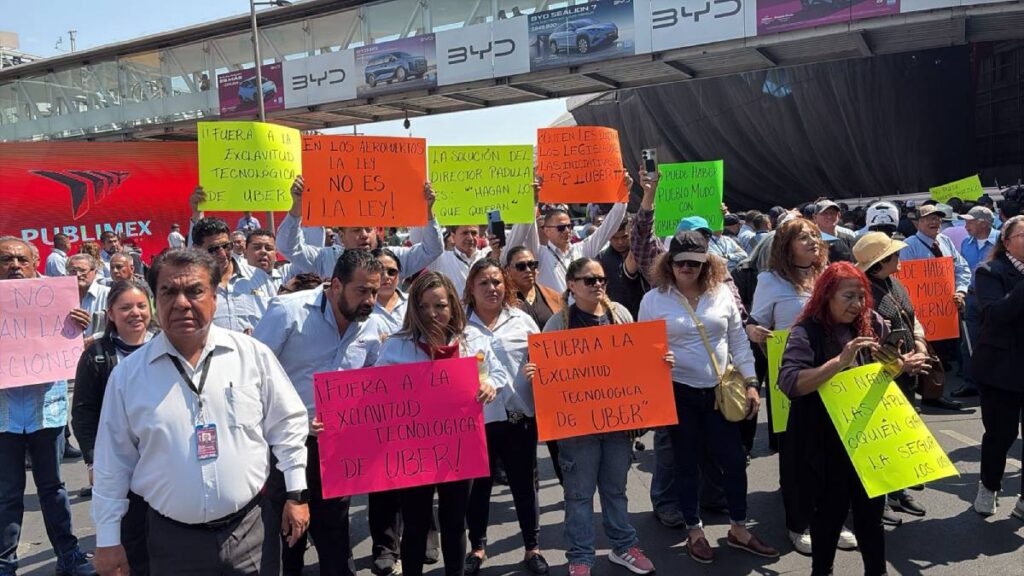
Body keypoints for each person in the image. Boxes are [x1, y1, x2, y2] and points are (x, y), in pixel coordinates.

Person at [91, 249, 311, 576]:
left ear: (215, 296)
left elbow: (288, 425)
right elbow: (112, 462)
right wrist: (107, 539)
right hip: (171, 539)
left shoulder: (252, 355)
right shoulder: (128, 376)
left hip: (250, 532)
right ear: (155, 300)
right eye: (168, 292)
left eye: (194, 291)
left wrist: (296, 492)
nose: (181, 302)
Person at [778, 262, 927, 576]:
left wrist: (899, 365)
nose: (857, 304)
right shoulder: (806, 331)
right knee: (828, 515)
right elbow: (790, 383)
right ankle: (822, 571)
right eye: (848, 296)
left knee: (870, 514)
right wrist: (838, 361)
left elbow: (891, 368)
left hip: (868, 436)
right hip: (824, 439)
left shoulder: (873, 323)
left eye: (862, 296)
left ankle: (877, 571)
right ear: (827, 295)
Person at [637, 232, 777, 565]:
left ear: (707, 264)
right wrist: (656, 362)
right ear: (668, 264)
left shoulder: (722, 295)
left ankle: (739, 529)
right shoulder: (654, 300)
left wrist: (752, 382)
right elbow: (640, 351)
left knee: (733, 461)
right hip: (678, 392)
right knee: (684, 465)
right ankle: (695, 531)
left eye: (695, 263)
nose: (687, 268)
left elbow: (739, 342)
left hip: (719, 392)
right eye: (681, 262)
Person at [253, 250, 385, 576]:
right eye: (362, 291)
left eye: (374, 291)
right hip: (286, 446)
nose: (370, 300)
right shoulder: (288, 312)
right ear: (336, 285)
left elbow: (373, 382)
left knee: (335, 535)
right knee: (289, 538)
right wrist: (290, 418)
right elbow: (252, 378)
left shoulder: (372, 326)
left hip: (337, 450)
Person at [539, 257, 667, 576]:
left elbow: (637, 361)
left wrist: (660, 360)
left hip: (618, 423)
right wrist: (535, 371)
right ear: (571, 285)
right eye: (589, 280)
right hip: (577, 427)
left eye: (601, 280)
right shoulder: (558, 323)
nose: (597, 285)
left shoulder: (619, 314)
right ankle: (581, 556)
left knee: (615, 489)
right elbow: (546, 372)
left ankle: (623, 547)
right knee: (579, 494)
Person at [373, 271, 506, 576]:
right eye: (423, 306)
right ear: (413, 309)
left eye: (440, 306)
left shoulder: (471, 340)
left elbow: (496, 373)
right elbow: (376, 392)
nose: (432, 314)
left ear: (453, 307)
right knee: (417, 523)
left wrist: (490, 386)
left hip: (460, 446)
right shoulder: (397, 346)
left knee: (455, 521)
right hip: (414, 449)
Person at [745, 218, 849, 554]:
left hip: (834, 373)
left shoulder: (829, 276)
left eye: (815, 237)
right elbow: (755, 323)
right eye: (803, 237)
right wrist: (755, 333)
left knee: (833, 454)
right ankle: (798, 524)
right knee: (797, 456)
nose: (812, 242)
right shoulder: (770, 280)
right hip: (793, 375)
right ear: (785, 245)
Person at [0, 237, 96, 576]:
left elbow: (73, 348)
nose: (14, 266)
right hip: (4, 417)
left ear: (35, 261)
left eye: (20, 260)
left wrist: (77, 326)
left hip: (47, 412)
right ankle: (5, 562)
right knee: (7, 492)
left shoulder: (56, 298)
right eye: (5, 260)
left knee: (53, 488)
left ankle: (68, 554)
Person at [462, 259, 548, 576]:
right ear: (471, 287)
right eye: (483, 282)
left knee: (525, 486)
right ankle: (478, 547)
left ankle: (532, 548)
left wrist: (538, 370)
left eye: (497, 281)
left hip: (519, 419)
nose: (492, 288)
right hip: (478, 423)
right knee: (478, 490)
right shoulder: (458, 327)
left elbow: (545, 362)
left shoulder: (523, 322)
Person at [71, 279, 156, 574]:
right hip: (120, 463)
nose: (135, 313)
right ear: (110, 313)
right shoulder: (96, 355)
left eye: (141, 306)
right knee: (130, 534)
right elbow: (83, 412)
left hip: (160, 460)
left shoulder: (165, 346)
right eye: (125, 307)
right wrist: (93, 458)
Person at [854, 232, 934, 520]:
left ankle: (898, 492)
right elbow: (869, 341)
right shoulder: (864, 295)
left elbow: (912, 318)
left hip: (905, 374)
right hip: (880, 377)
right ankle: (880, 499)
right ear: (880, 263)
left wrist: (921, 345)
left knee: (901, 435)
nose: (900, 258)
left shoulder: (894, 283)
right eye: (894, 255)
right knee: (879, 439)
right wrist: (900, 364)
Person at [276, 177, 443, 280]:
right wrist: (297, 207)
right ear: (341, 235)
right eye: (356, 230)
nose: (364, 235)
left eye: (368, 229)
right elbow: (288, 247)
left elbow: (432, 249)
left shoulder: (394, 258)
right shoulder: (325, 259)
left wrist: (428, 211)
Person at [971, 215, 1024, 520]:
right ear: (1007, 242)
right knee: (1001, 435)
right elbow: (997, 313)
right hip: (1000, 370)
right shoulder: (990, 272)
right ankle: (989, 486)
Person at [899, 203, 971, 410]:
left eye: (937, 218)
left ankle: (933, 394)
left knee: (942, 354)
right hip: (922, 312)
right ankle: (922, 396)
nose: (934, 222)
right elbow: (905, 279)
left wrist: (961, 291)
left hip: (946, 310)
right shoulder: (909, 246)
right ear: (917, 222)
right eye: (928, 218)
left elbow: (962, 267)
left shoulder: (945, 240)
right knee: (924, 352)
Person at [507, 174, 630, 293]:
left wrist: (623, 196)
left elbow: (609, 227)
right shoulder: (538, 255)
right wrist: (532, 201)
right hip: (553, 312)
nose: (566, 231)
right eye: (561, 228)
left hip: (581, 311)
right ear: (546, 230)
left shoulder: (582, 249)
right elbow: (528, 228)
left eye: (569, 226)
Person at [953, 206, 1002, 398]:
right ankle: (971, 383)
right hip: (972, 297)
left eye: (970, 221)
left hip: (996, 298)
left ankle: (998, 382)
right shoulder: (966, 242)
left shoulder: (1002, 240)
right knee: (970, 342)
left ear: (983, 223)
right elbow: (962, 269)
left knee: (998, 340)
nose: (966, 226)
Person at [191, 216, 267, 333]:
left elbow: (276, 320)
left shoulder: (259, 277)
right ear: (196, 250)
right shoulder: (190, 286)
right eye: (213, 249)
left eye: (227, 246)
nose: (222, 254)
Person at [596, 218, 648, 320]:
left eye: (625, 237)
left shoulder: (643, 254)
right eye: (615, 238)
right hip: (616, 316)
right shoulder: (601, 259)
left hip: (644, 313)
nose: (620, 242)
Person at [423, 225, 493, 295]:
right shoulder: (442, 259)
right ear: (453, 237)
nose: (470, 238)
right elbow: (422, 241)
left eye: (474, 233)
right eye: (465, 233)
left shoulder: (488, 256)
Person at [505, 246, 563, 330]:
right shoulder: (504, 300)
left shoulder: (554, 296)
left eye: (532, 265)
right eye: (521, 266)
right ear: (508, 270)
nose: (528, 270)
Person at [67, 254, 111, 341]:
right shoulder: (61, 298)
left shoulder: (108, 295)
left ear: (94, 272)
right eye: (73, 271)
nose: (78, 275)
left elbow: (118, 327)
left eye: (82, 270)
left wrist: (93, 338)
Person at [237, 228, 291, 297]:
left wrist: (303, 218)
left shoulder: (286, 275)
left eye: (269, 248)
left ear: (276, 253)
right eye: (257, 247)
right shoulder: (236, 281)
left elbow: (306, 256)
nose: (263, 251)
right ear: (245, 252)